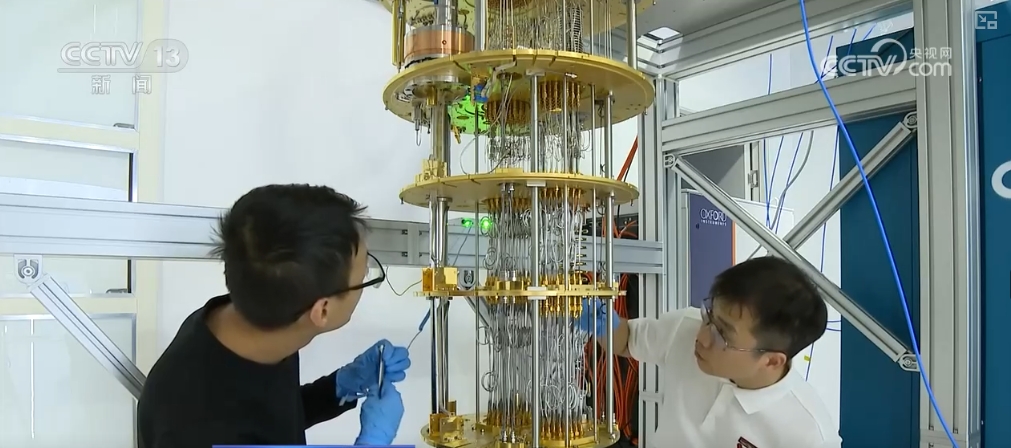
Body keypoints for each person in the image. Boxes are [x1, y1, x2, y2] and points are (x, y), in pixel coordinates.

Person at [137, 184, 412, 447]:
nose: (365, 279)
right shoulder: (195, 429)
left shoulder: (260, 316)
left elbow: (268, 420)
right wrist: (373, 442)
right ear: (322, 310)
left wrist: (338, 387)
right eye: (365, 276)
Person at [579, 256, 841, 448]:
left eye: (723, 334)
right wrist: (605, 324)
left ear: (771, 360)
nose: (702, 338)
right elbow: (627, 341)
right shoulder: (686, 327)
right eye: (709, 316)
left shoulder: (809, 436)